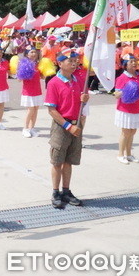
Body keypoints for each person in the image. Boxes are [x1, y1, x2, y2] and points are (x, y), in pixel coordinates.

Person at [44, 48, 89, 209]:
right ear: (60, 63)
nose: (74, 63)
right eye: (70, 60)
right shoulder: (54, 83)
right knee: (57, 161)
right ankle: (56, 192)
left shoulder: (76, 81)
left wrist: (84, 99)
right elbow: (52, 110)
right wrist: (68, 126)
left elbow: (79, 102)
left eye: (75, 60)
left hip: (76, 125)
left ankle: (66, 191)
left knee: (69, 161)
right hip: (62, 126)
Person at [113, 55, 139, 164]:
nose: (134, 63)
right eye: (131, 61)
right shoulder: (122, 78)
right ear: (125, 65)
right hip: (125, 109)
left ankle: (129, 154)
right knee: (125, 132)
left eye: (135, 61)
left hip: (137, 107)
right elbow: (116, 94)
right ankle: (120, 154)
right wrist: (126, 90)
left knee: (132, 132)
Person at [19, 48, 42, 138]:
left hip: (37, 90)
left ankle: (32, 128)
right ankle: (25, 129)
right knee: (31, 109)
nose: (33, 54)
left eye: (35, 52)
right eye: (31, 52)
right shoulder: (24, 64)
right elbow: (19, 79)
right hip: (28, 91)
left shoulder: (39, 64)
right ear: (27, 55)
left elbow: (43, 76)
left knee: (36, 109)